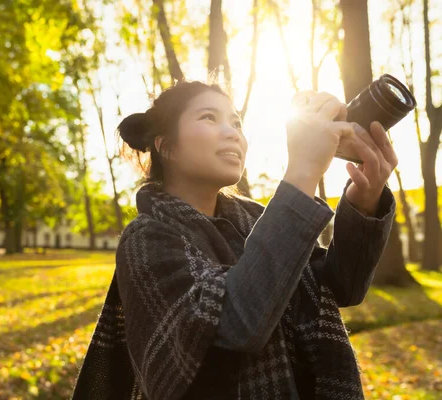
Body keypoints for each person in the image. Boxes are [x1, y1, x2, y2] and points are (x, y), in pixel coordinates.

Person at [71, 81, 396, 400]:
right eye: (209, 117)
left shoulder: (256, 219)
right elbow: (232, 326)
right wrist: (303, 171)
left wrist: (365, 199)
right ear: (166, 147)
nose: (232, 133)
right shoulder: (146, 239)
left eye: (236, 122)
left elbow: (341, 286)